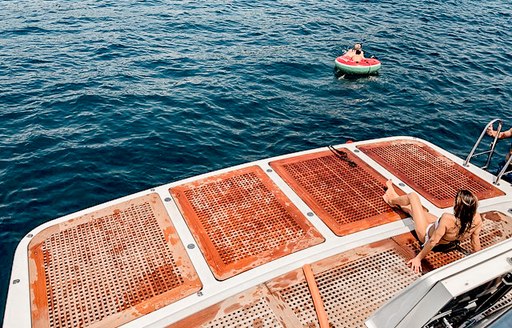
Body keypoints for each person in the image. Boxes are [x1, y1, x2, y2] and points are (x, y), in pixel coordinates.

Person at [383, 180, 482, 273]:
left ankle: (391, 200)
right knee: (414, 210)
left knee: (413, 197)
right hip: (447, 240)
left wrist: (418, 258)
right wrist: (479, 260)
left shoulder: (447, 219)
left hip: (426, 234)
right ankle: (396, 198)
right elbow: (475, 241)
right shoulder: (476, 219)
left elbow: (433, 241)